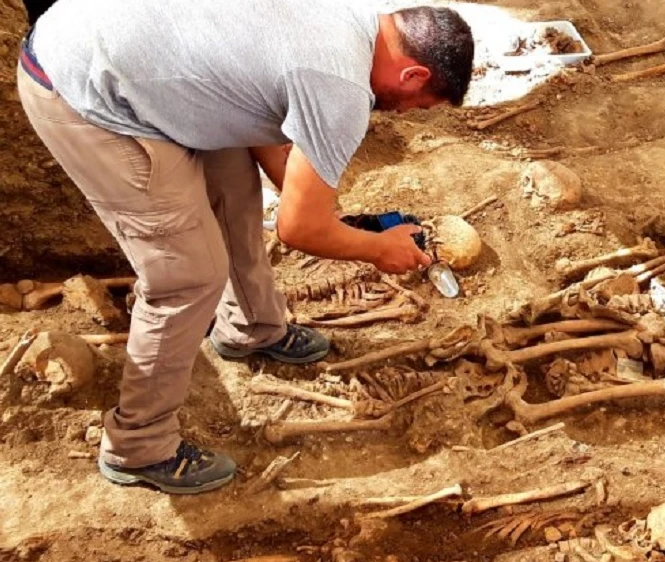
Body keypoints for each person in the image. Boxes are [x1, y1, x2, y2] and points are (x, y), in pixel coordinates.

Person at [18, 0, 474, 495]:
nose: (404, 113)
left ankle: (252, 328)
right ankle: (139, 446)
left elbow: (255, 120)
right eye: (418, 104)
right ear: (413, 74)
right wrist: (376, 250)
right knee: (187, 275)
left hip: (125, 51)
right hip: (83, 89)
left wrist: (333, 217)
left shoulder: (350, 18)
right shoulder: (342, 86)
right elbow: (297, 230)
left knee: (235, 194)